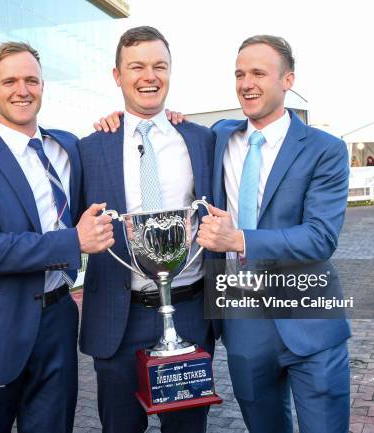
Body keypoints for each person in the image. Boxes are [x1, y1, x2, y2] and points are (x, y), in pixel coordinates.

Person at [0, 41, 114, 433]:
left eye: (31, 80)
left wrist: (132, 120)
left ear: (42, 86)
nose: (22, 90)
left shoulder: (67, 146)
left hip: (57, 322)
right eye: (10, 81)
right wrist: (73, 242)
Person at [193, 35, 350, 433]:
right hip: (242, 321)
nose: (247, 83)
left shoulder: (324, 149)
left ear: (288, 80)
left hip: (310, 320)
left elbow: (320, 238)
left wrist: (239, 239)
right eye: (240, 74)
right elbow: (164, 131)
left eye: (259, 73)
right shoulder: (218, 137)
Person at [78, 26, 214, 433]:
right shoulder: (89, 147)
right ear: (117, 76)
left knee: (188, 429)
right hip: (119, 318)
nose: (149, 76)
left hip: (190, 311)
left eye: (160, 66)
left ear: (171, 73)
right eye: (136, 66)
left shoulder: (202, 139)